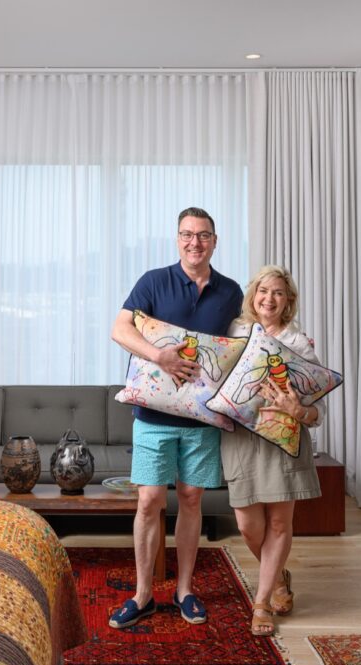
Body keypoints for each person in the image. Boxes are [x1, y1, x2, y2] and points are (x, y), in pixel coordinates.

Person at [109, 207, 243, 628]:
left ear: (215, 241)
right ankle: (143, 594)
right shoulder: (153, 281)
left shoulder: (231, 292)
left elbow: (243, 347)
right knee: (149, 500)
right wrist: (159, 356)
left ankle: (185, 590)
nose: (194, 243)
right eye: (187, 235)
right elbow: (120, 329)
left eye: (203, 236)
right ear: (177, 238)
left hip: (201, 420)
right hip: (151, 415)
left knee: (190, 499)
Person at [220, 265, 326, 635]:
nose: (269, 299)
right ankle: (279, 577)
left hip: (284, 438)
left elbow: (317, 408)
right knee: (249, 526)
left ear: (288, 301)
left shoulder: (299, 344)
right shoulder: (235, 332)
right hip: (241, 439)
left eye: (278, 293)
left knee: (280, 523)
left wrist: (300, 410)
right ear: (253, 296)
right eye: (264, 291)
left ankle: (262, 602)